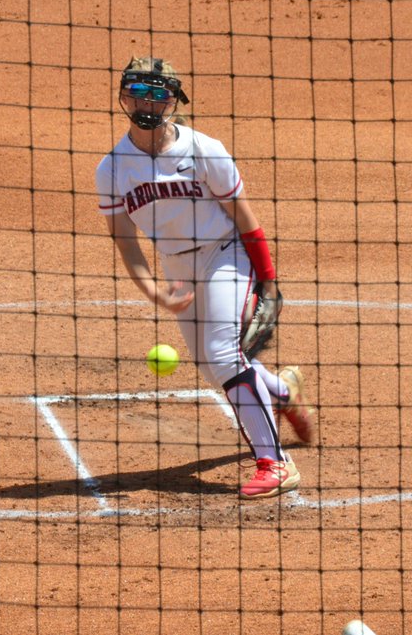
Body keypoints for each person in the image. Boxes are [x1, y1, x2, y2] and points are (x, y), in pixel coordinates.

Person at [95, 56, 316, 499]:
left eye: (159, 94)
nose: (148, 103)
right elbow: (126, 241)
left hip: (225, 255)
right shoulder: (113, 169)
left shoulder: (203, 149)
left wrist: (267, 281)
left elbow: (247, 221)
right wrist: (155, 292)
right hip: (178, 268)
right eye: (138, 93)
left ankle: (276, 464)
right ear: (122, 97)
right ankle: (280, 389)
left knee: (222, 353)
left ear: (174, 101)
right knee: (217, 371)